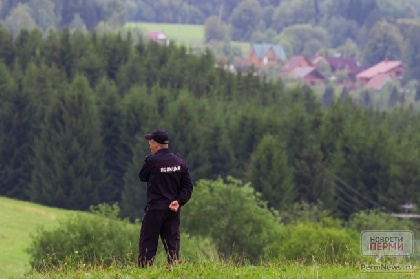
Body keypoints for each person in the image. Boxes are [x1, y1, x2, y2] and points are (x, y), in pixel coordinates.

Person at [138, 129, 193, 268]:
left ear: (156, 144)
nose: (149, 145)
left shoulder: (152, 161)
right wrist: (179, 201)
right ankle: (174, 269)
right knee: (172, 243)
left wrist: (147, 161)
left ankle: (144, 270)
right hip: (172, 208)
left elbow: (142, 177)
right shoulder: (180, 163)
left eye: (150, 142)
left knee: (148, 242)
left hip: (155, 208)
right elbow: (188, 187)